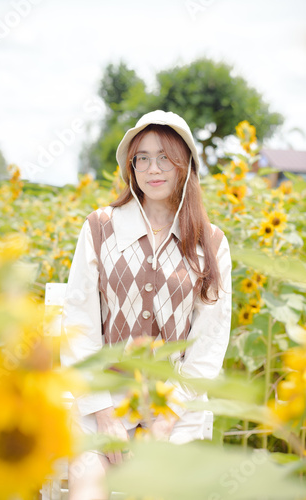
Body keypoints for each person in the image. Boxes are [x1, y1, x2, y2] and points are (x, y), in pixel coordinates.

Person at [61, 110, 232, 500]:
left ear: (184, 164)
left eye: (165, 157)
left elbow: (208, 344)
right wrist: (103, 414)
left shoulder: (211, 243)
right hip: (101, 396)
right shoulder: (101, 227)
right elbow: (79, 324)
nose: (153, 169)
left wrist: (166, 420)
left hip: (177, 402)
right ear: (130, 166)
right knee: (87, 487)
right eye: (142, 158)